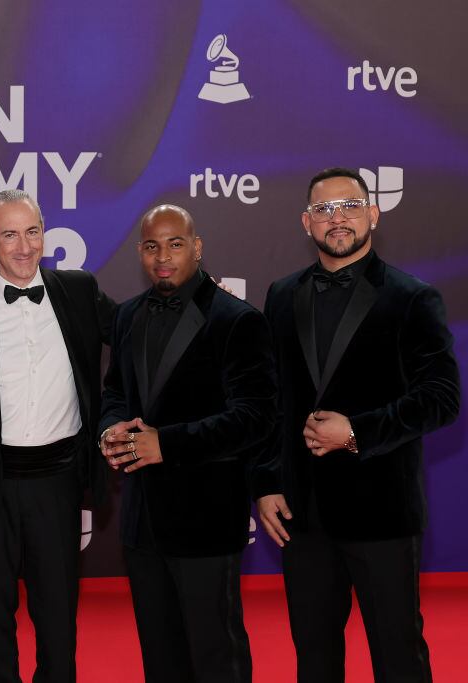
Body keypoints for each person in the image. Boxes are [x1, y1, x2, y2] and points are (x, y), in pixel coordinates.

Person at [252, 168, 460, 683]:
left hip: (382, 513)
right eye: (323, 210)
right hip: (304, 516)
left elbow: (442, 398)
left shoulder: (413, 297)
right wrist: (268, 480)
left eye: (348, 205)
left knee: (398, 656)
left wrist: (356, 433)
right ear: (306, 222)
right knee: (314, 659)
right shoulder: (280, 295)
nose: (336, 218)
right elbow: (270, 400)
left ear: (373, 212)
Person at [0, 190, 114, 681]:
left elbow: (139, 329)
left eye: (32, 231)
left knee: (58, 615)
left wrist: (201, 298)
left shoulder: (78, 291)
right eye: (9, 234)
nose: (24, 246)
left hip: (59, 482)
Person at [99, 204, 276, 683]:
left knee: (216, 656)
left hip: (206, 521)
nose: (163, 256)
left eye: (175, 244)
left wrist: (167, 444)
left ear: (196, 248)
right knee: (161, 659)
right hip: (141, 524)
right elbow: (116, 391)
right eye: (153, 245)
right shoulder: (128, 316)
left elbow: (256, 417)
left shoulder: (237, 320)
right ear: (140, 252)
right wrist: (110, 427)